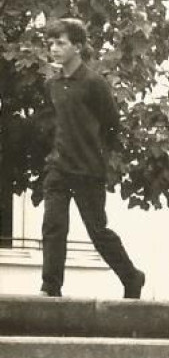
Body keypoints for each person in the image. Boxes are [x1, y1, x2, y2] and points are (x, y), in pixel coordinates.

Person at [38, 17, 144, 299]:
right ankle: (51, 287)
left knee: (98, 232)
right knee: (53, 226)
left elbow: (112, 126)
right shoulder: (53, 84)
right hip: (58, 168)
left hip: (88, 171)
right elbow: (56, 124)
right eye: (51, 43)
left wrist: (95, 155)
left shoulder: (94, 83)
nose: (54, 48)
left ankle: (132, 277)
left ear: (78, 46)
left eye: (61, 43)